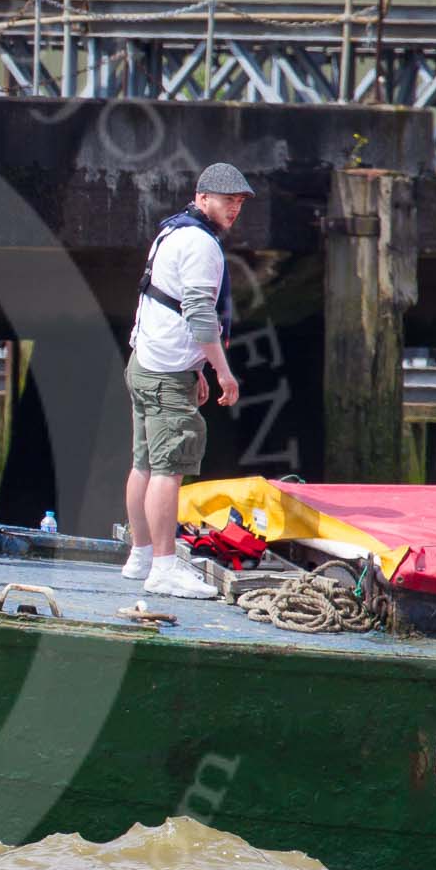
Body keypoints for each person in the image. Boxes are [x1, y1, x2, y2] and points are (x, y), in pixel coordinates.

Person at [122, 162, 251, 598]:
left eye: (238, 202)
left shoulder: (172, 232)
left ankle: (140, 556)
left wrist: (196, 366)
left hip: (146, 361)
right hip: (165, 372)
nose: (234, 208)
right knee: (168, 469)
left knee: (144, 462)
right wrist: (221, 371)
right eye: (226, 200)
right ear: (201, 198)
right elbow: (198, 315)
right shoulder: (202, 245)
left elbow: (165, 298)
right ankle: (162, 568)